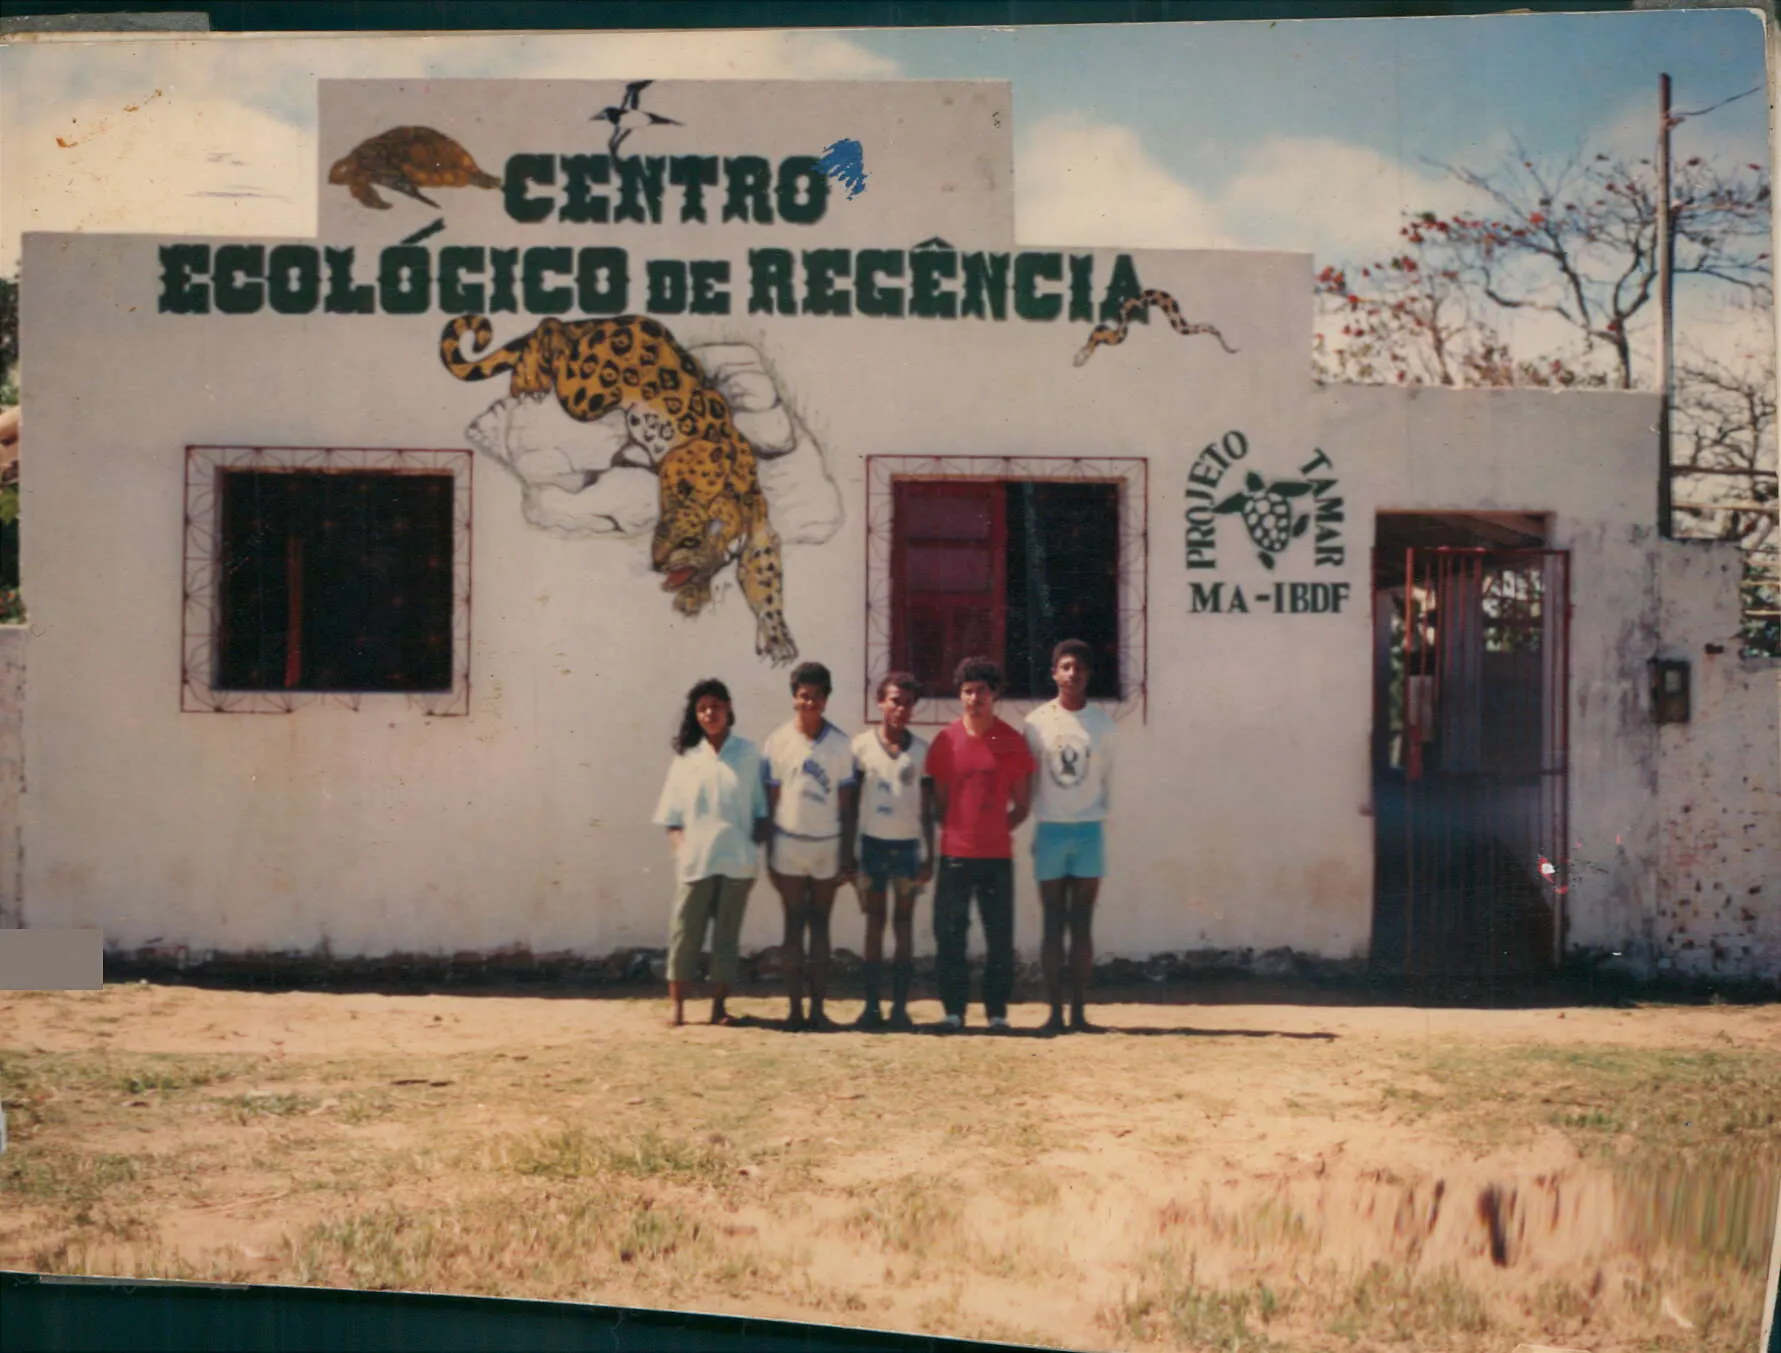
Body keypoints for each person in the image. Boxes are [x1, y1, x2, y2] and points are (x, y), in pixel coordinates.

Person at [924, 656, 1036, 1033]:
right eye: (968, 691)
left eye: (982, 691)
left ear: (994, 694)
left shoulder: (1009, 741)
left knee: (998, 937)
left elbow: (1022, 804)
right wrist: (961, 830)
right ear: (960, 695)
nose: (975, 698)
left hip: (996, 857)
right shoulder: (945, 741)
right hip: (955, 854)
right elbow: (939, 801)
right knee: (951, 935)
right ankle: (953, 1011)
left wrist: (993, 830)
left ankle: (997, 1013)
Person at [651, 678, 769, 1028]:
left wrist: (750, 848)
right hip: (696, 864)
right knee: (685, 934)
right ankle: (678, 1009)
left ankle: (719, 1007)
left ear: (728, 708)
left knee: (726, 938)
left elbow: (761, 811)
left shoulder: (749, 754)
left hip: (737, 863)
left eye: (715, 706)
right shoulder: (687, 760)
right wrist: (682, 852)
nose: (709, 713)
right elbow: (672, 819)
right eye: (702, 708)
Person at [1023, 640, 1116, 1034]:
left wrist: (1092, 813)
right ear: (1054, 673)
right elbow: (1029, 777)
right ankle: (1054, 1013)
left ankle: (1079, 1011)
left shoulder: (1103, 726)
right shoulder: (1036, 723)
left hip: (1088, 831)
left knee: (1081, 924)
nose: (1072, 674)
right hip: (1051, 830)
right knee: (1051, 922)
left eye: (1079, 668)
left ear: (1088, 674)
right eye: (1065, 667)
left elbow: (1107, 778)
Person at [762, 661, 859, 1031]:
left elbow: (847, 808)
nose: (810, 702)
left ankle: (818, 1009)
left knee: (820, 926)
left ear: (826, 699)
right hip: (788, 843)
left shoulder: (839, 744)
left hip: (826, 845)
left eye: (817, 696)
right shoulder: (778, 742)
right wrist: (770, 851)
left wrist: (847, 855)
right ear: (794, 698)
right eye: (804, 696)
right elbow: (770, 803)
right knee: (792, 925)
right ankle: (794, 1011)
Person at [850, 672, 936, 1031]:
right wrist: (849, 852)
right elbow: (851, 805)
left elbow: (928, 809)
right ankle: (871, 1007)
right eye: (894, 700)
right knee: (874, 924)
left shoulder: (922, 751)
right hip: (872, 846)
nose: (900, 708)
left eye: (907, 702)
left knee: (903, 925)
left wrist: (930, 854)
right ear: (880, 703)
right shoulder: (861, 748)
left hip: (906, 849)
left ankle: (899, 1009)